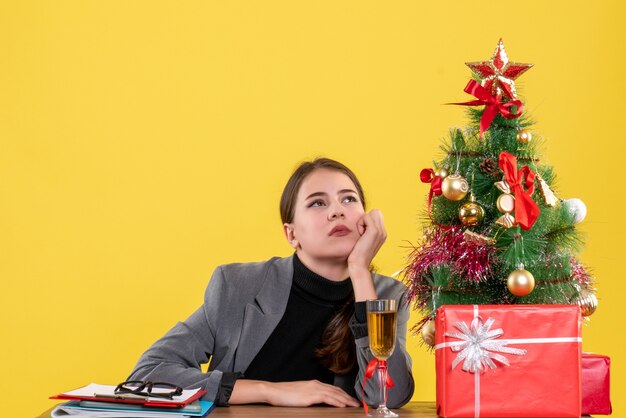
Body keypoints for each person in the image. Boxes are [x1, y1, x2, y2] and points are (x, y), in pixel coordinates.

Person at [127, 157, 414, 408]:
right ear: (291, 235)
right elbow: (148, 372)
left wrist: (360, 271)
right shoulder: (238, 286)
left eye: (348, 199)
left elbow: (389, 396)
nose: (337, 210)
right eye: (317, 202)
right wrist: (268, 391)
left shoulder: (387, 295)